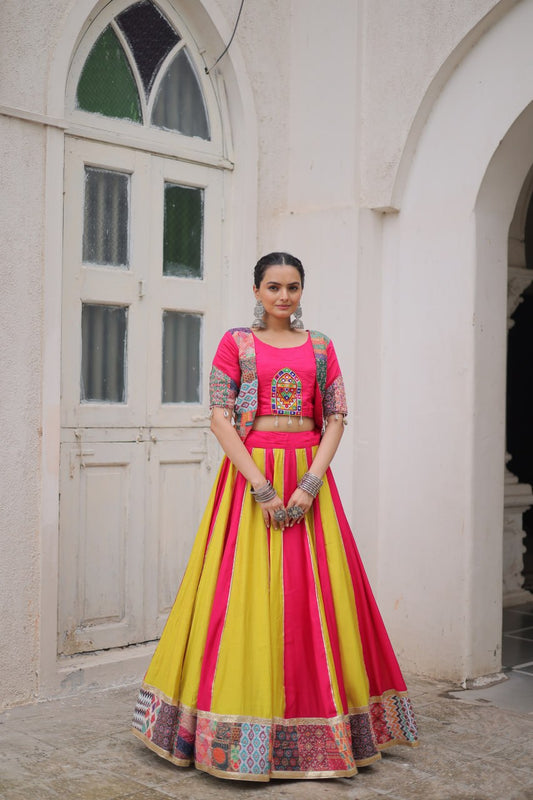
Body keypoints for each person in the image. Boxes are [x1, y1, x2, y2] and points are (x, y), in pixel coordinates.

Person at [132, 252, 418, 781]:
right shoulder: (236, 343)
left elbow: (336, 417)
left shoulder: (321, 346)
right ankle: (233, 728)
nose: (283, 296)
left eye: (292, 287)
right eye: (273, 287)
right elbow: (220, 418)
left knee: (317, 596)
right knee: (238, 595)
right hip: (250, 478)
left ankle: (321, 729)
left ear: (302, 290)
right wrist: (261, 487)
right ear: (257, 290)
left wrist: (310, 484)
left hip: (309, 479)